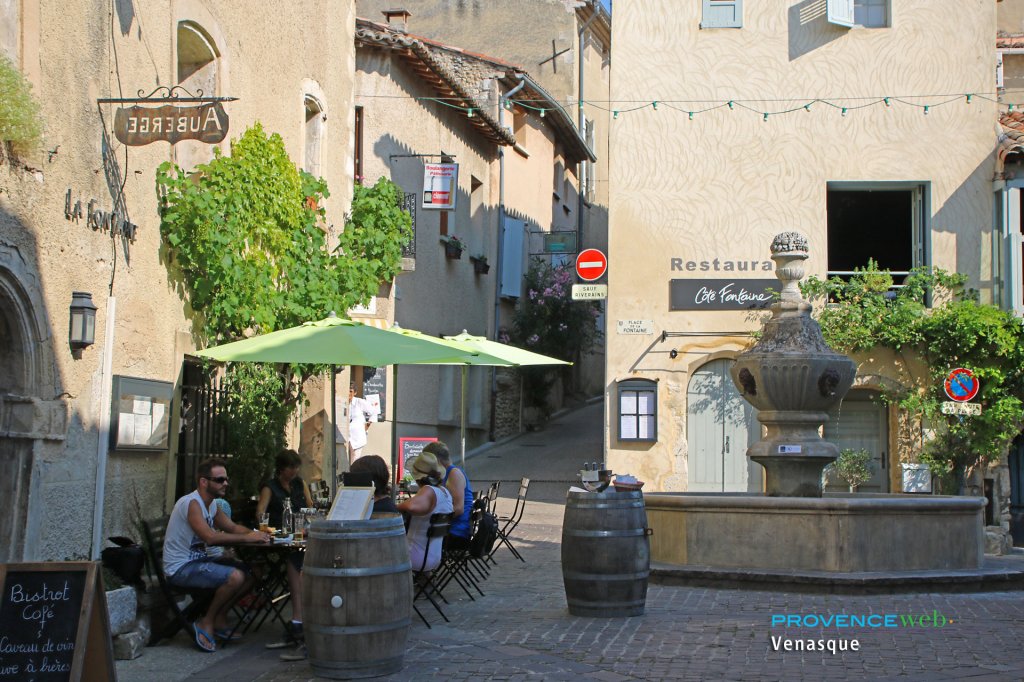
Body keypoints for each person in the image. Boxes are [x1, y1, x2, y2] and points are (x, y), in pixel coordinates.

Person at [164, 458, 271, 653]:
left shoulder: (211, 504)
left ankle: (220, 617)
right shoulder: (191, 503)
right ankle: (207, 622)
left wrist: (258, 534)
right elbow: (210, 538)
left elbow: (231, 527)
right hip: (181, 568)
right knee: (235, 576)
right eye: (220, 480)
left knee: (254, 572)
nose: (226, 484)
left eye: (226, 479)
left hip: (199, 563)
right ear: (204, 482)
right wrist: (248, 539)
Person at [256, 449, 313, 645]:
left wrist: (307, 521)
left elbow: (309, 505)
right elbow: (260, 513)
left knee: (301, 557)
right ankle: (300, 619)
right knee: (295, 559)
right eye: (292, 467)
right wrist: (271, 529)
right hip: (278, 536)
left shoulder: (300, 483)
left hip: (299, 534)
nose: (296, 470)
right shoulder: (270, 487)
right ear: (282, 468)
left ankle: (301, 617)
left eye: (297, 466)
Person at [397, 451, 453, 572]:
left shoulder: (428, 490)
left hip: (414, 557)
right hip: (434, 557)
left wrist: (396, 507)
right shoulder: (445, 492)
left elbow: (411, 506)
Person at [424, 441, 474, 551]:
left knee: (415, 534)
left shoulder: (454, 474)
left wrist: (434, 519)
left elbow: (458, 509)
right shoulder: (447, 473)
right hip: (451, 529)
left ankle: (420, 566)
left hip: (456, 533)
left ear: (436, 460)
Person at [347, 383, 377, 463]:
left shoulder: (359, 402)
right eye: (347, 391)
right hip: (345, 437)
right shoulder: (343, 402)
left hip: (357, 438)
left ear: (355, 393)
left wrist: (368, 425)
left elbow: (374, 411)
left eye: (350, 391)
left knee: (354, 462)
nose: (348, 393)